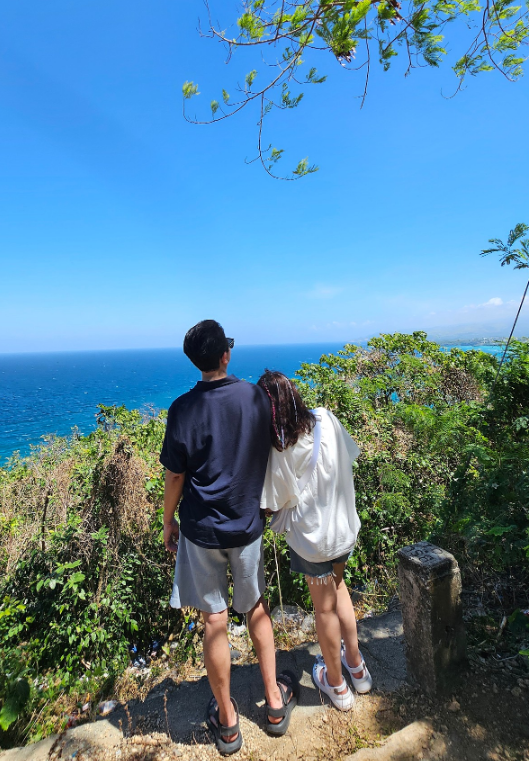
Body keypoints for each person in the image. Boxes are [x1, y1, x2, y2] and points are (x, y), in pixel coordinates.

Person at [161, 321, 299, 755]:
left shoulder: (181, 409)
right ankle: (274, 703)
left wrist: (168, 521)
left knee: (214, 621)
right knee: (256, 608)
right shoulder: (256, 398)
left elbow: (175, 476)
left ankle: (228, 721)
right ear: (226, 354)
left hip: (202, 530)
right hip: (247, 525)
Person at [258, 370, 373, 712]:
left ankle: (337, 686)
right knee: (340, 591)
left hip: (313, 542)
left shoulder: (281, 448)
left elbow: (274, 500)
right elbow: (348, 456)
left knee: (324, 610)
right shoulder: (326, 418)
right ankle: (358, 670)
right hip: (344, 530)